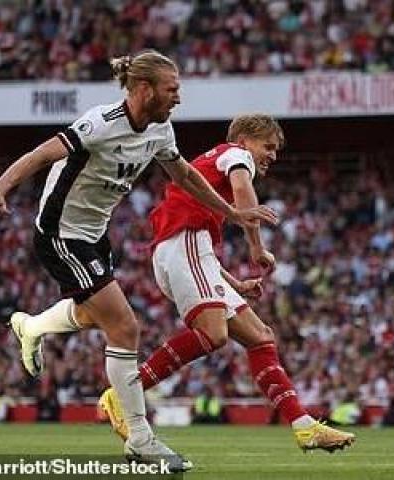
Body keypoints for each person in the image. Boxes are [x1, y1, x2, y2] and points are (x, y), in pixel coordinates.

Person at [0, 50, 278, 472]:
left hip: (95, 235)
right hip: (61, 233)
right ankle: (140, 438)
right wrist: (0, 185)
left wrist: (230, 214)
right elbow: (43, 154)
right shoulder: (101, 123)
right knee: (124, 326)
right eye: (172, 89)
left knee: (91, 316)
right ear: (144, 89)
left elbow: (186, 176)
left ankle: (31, 327)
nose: (178, 98)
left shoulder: (160, 129)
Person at [97, 113, 356, 453]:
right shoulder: (236, 153)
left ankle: (304, 426)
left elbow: (201, 252)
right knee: (215, 334)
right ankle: (124, 392)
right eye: (269, 146)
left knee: (261, 338)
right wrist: (256, 247)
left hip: (187, 249)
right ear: (246, 139)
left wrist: (236, 284)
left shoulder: (211, 165)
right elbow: (242, 190)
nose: (272, 156)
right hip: (183, 245)